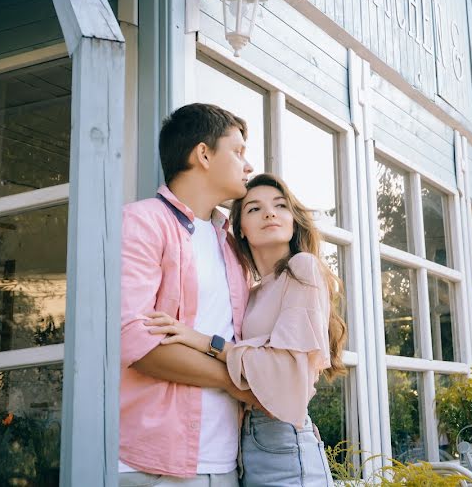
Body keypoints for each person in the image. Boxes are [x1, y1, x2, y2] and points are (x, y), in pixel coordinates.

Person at [145, 173, 347, 486]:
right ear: (240, 229)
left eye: (280, 206)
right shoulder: (250, 293)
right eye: (254, 209)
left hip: (285, 446)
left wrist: (206, 343)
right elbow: (256, 364)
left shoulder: (302, 267)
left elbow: (284, 372)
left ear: (293, 221)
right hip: (245, 445)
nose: (269, 213)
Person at [119, 103, 258, 486]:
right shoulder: (142, 221)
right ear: (203, 154)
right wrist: (240, 382)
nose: (248, 165)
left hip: (227, 461)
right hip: (150, 464)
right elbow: (137, 344)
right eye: (238, 151)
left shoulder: (232, 246)